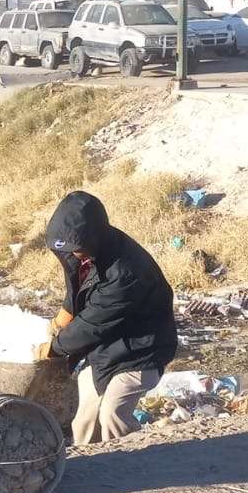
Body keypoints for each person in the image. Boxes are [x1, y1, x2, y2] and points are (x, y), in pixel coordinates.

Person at [45, 191, 178, 445]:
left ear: (93, 239)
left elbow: (93, 323)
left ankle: (131, 461)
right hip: (107, 347)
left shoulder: (125, 271)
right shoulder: (77, 248)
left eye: (78, 249)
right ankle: (89, 462)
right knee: (84, 421)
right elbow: (78, 284)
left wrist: (55, 347)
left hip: (143, 348)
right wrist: (66, 313)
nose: (74, 254)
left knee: (112, 414)